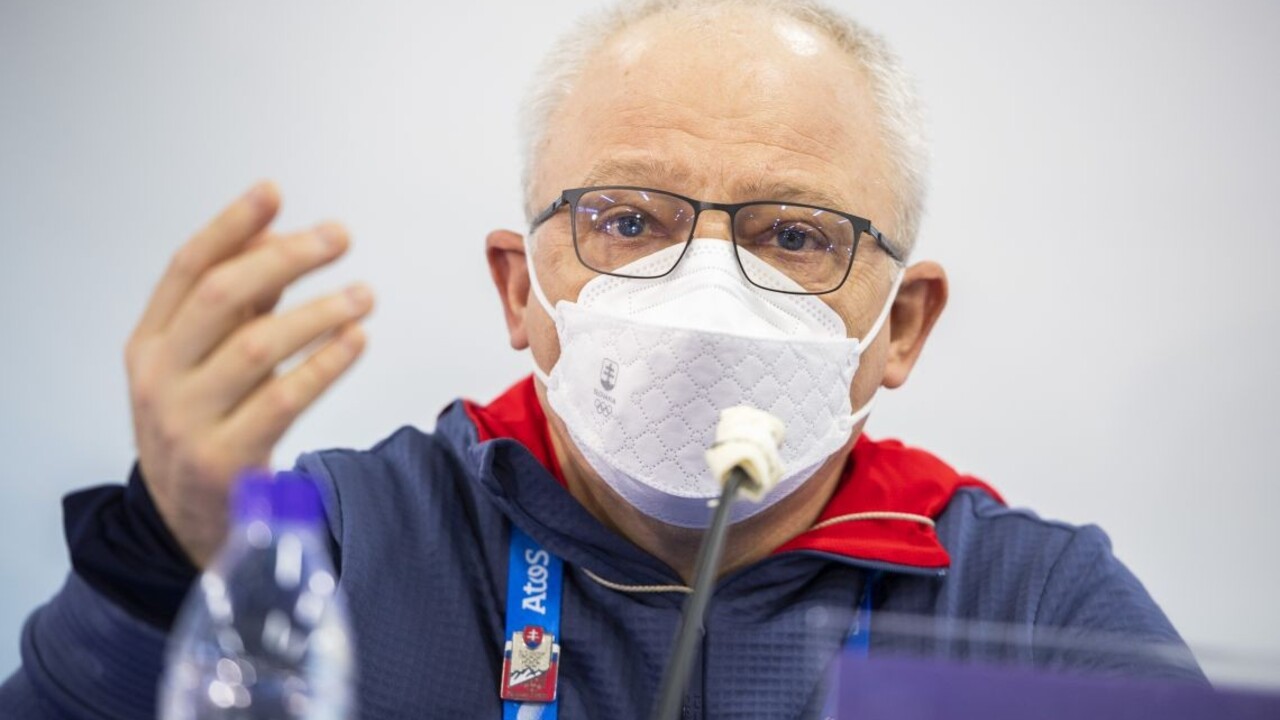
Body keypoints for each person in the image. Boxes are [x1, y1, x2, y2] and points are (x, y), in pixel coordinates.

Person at [0, 1, 1202, 718]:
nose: (706, 291)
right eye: (627, 220)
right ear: (519, 291)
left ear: (901, 326)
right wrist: (160, 558)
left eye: (793, 236)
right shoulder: (340, 544)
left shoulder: (1027, 608)